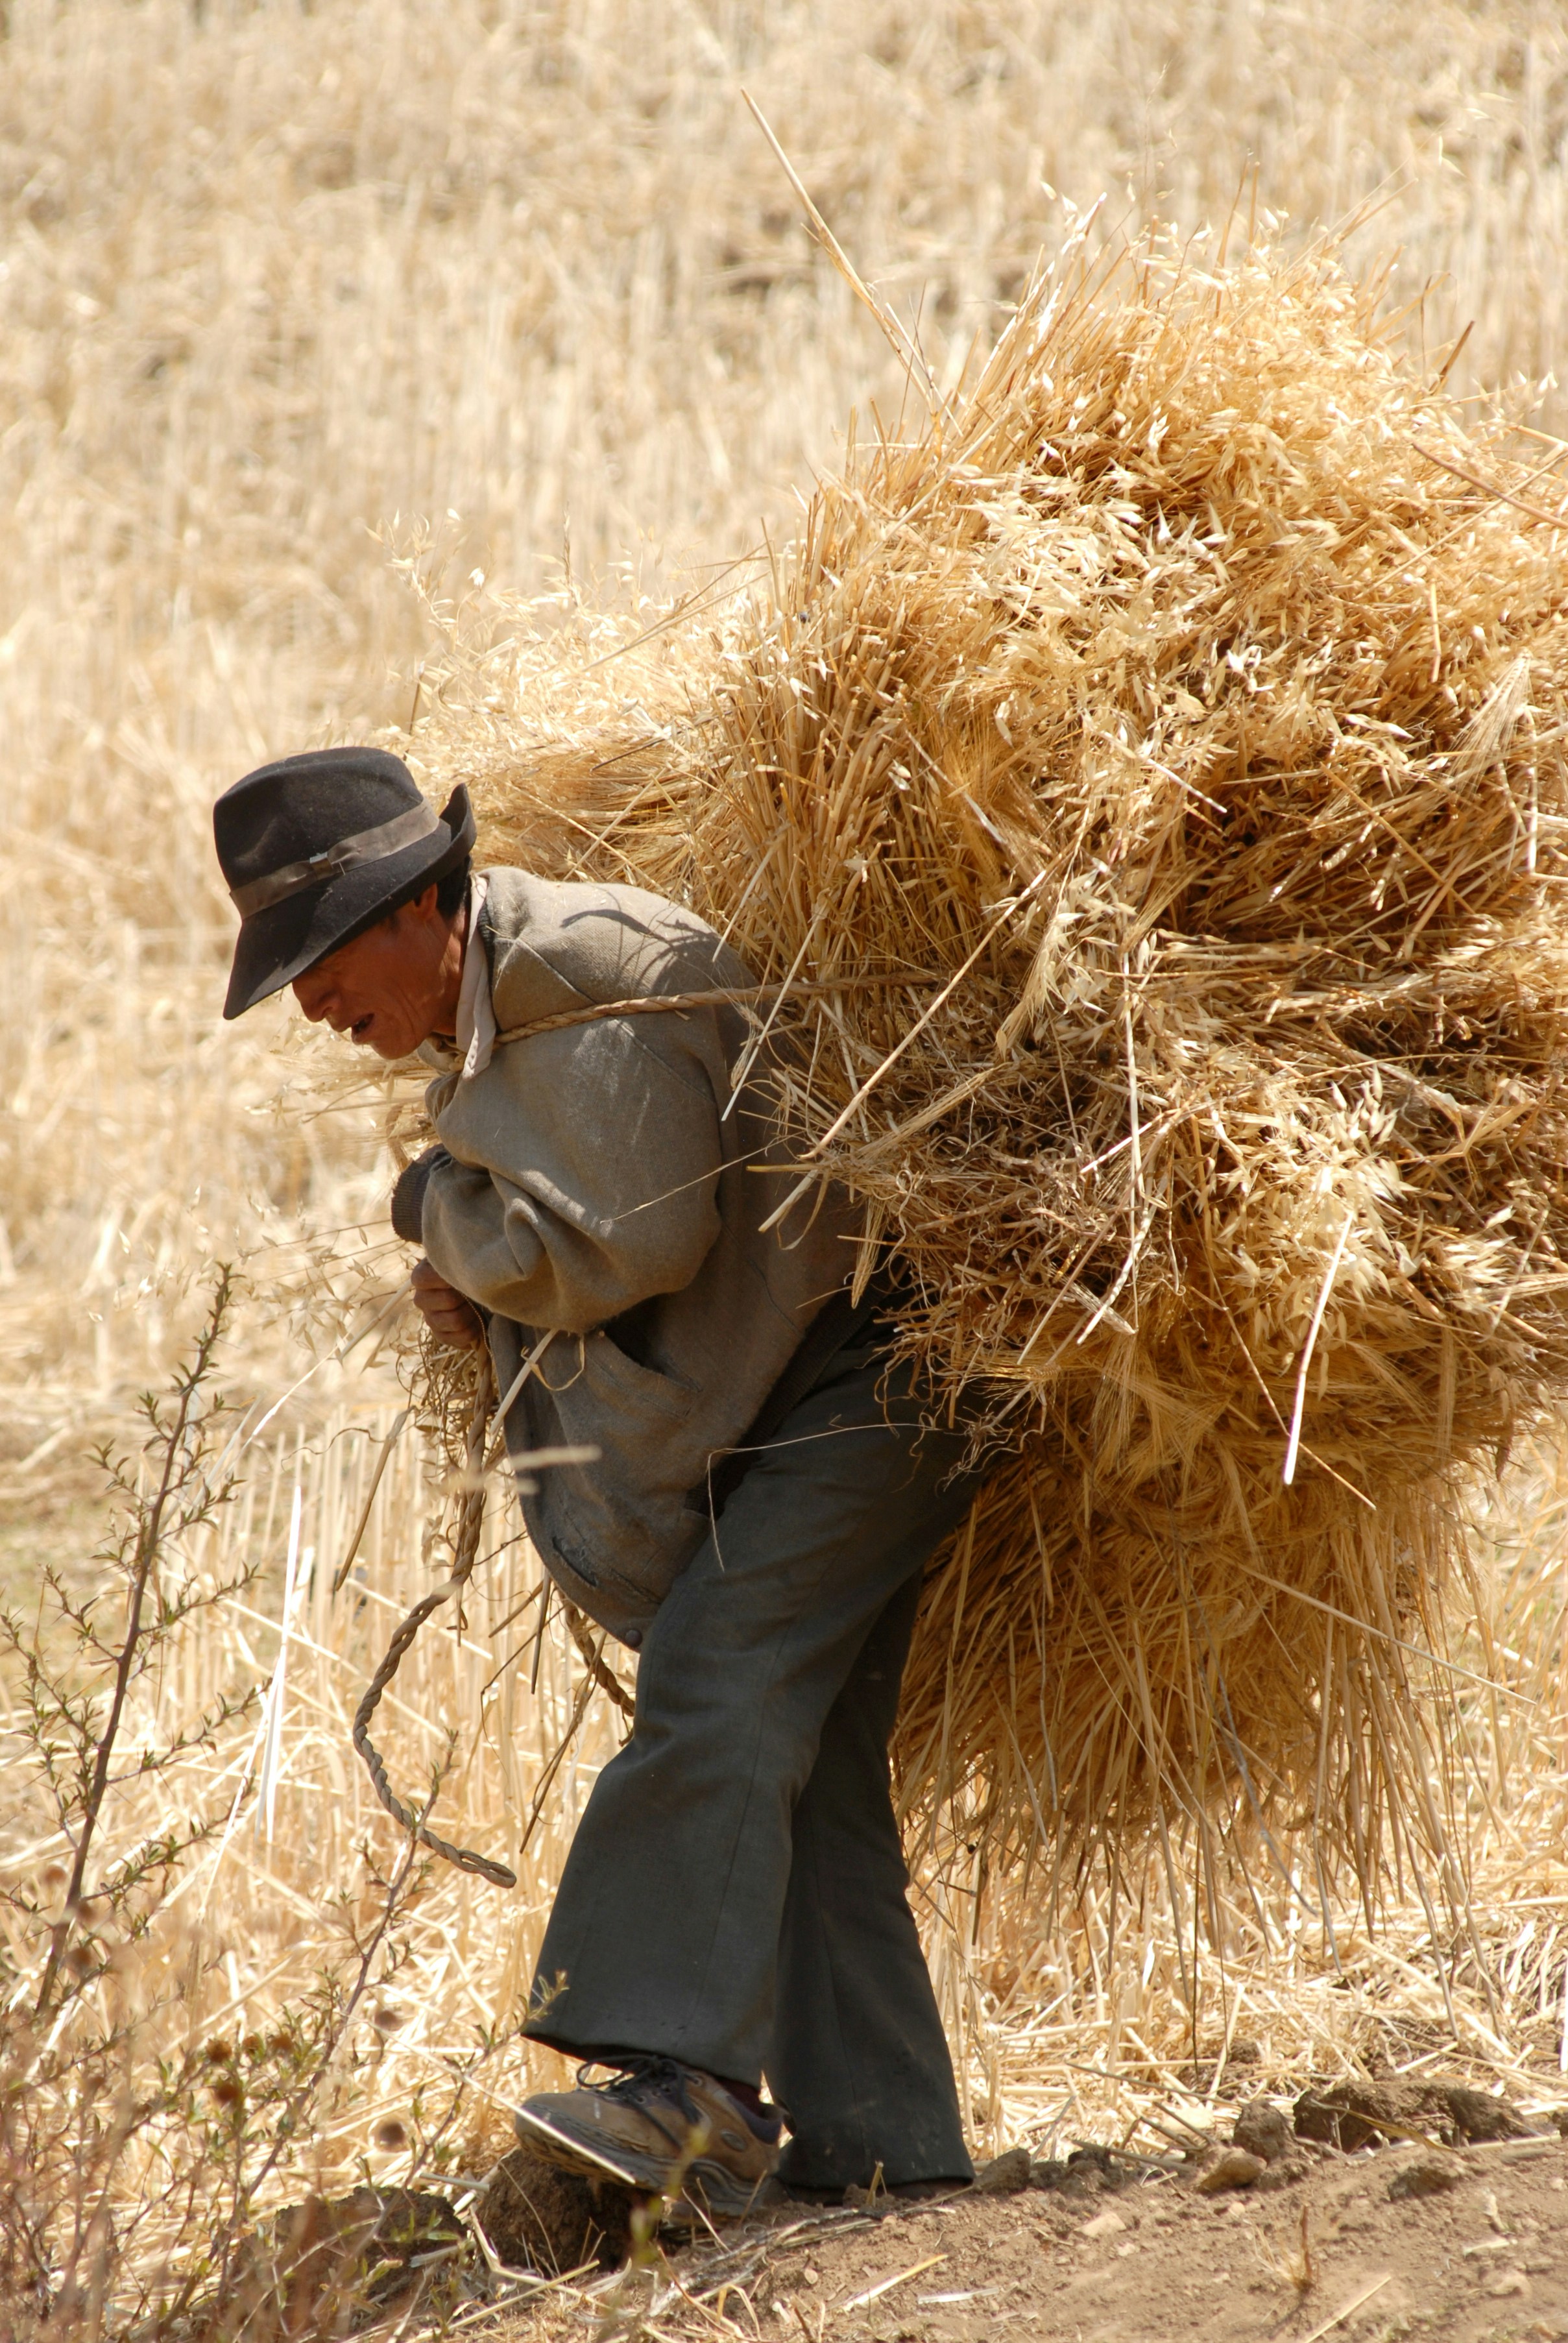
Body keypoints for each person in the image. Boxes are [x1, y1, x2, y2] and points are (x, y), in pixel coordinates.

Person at [214, 744, 981, 2217]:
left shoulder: (586, 977)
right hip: (798, 1394)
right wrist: (486, 1268)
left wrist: (433, 1207)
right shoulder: (501, 1013)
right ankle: (890, 2154)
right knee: (805, 1775)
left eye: (318, 960)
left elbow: (621, 1254)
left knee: (720, 1670)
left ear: (421, 907)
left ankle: (681, 2084)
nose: (311, 1005)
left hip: (878, 1376)